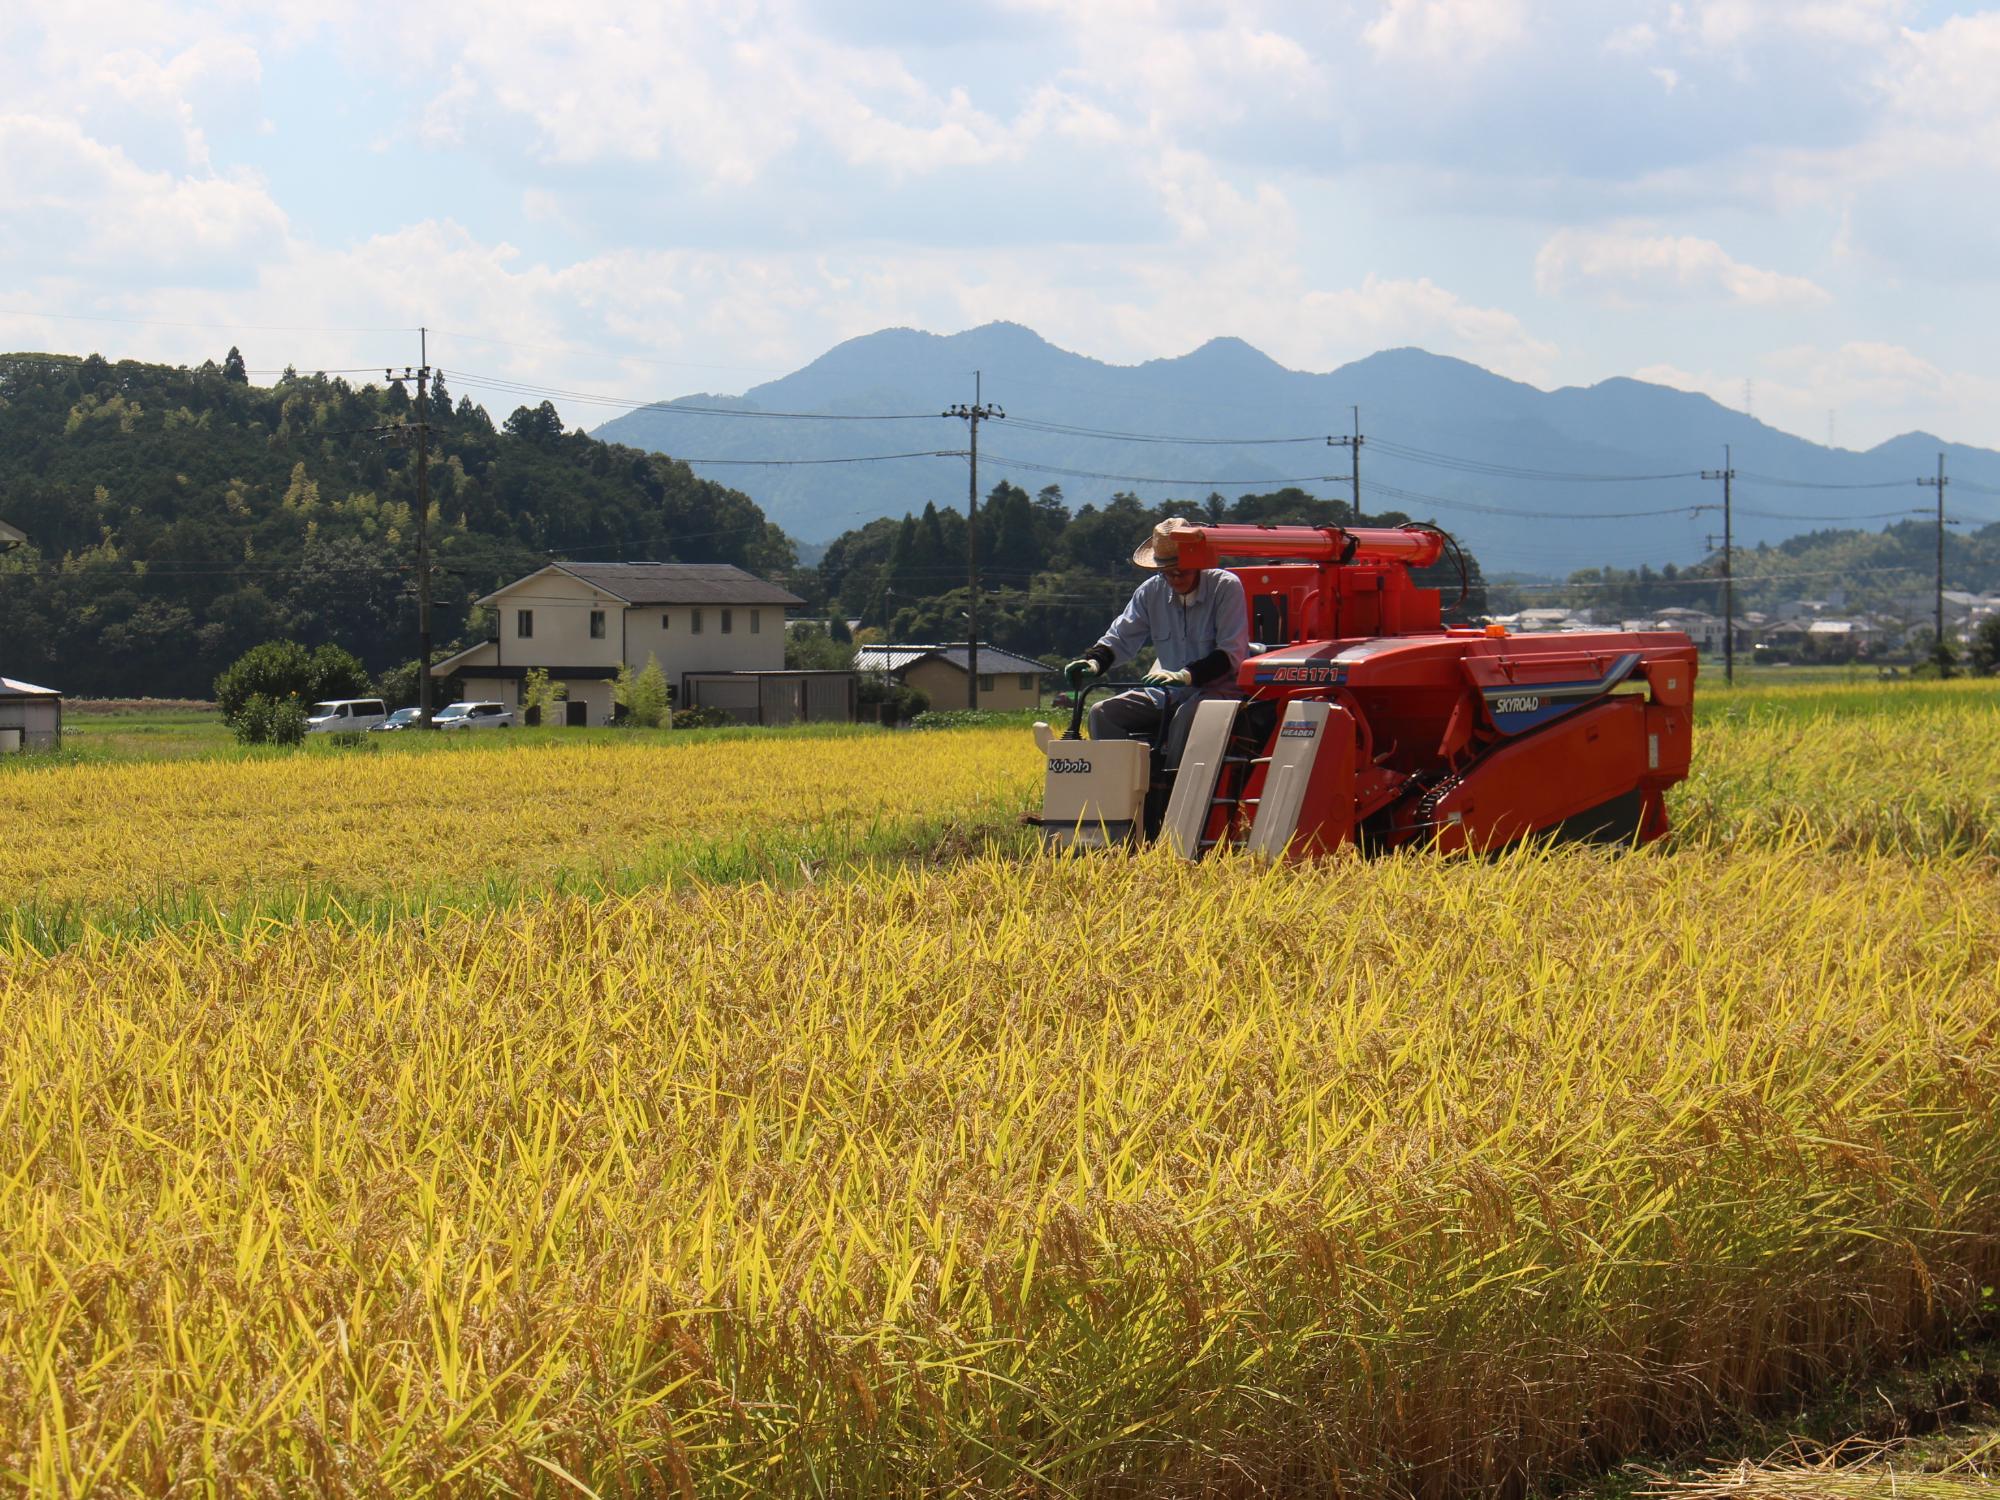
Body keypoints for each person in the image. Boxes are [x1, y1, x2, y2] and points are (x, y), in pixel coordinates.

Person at [1062, 517, 1250, 768]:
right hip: (1166, 694)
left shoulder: (1225, 587)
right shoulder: (1150, 592)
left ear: (1198, 563)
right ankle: (1122, 785)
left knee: (1186, 716)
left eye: (1180, 569)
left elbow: (1231, 654)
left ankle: (1170, 789)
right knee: (1103, 713)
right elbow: (1120, 637)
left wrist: (1185, 676)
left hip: (1219, 693)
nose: (1174, 578)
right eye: (1166, 571)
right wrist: (1094, 662)